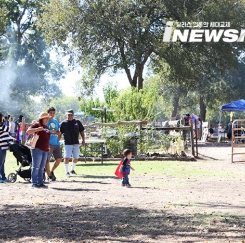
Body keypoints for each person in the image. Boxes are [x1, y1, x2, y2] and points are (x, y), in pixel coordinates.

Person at [27, 112, 50, 188]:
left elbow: (47, 138)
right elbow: (28, 131)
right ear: (41, 119)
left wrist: (48, 147)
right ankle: (34, 183)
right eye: (45, 118)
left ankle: (40, 182)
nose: (47, 119)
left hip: (45, 149)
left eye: (47, 118)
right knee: (36, 166)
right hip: (37, 148)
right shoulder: (37, 125)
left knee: (41, 167)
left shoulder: (46, 127)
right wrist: (37, 129)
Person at [60, 109, 85, 177]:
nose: (70, 116)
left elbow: (82, 131)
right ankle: (66, 171)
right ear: (66, 115)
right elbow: (60, 133)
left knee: (76, 157)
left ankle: (72, 169)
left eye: (71, 115)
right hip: (67, 143)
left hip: (76, 142)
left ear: (73, 115)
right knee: (66, 157)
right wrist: (57, 141)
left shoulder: (77, 122)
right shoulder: (63, 123)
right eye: (68, 115)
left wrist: (83, 140)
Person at [45, 107, 62, 181]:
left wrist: (58, 134)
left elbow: (59, 130)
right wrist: (53, 131)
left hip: (56, 143)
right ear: (48, 113)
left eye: (53, 113)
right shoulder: (46, 121)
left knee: (59, 158)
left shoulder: (56, 121)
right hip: (49, 143)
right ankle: (49, 175)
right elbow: (45, 130)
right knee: (47, 160)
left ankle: (51, 171)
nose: (52, 114)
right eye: (51, 113)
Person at [0, 113, 15, 183]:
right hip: (2, 147)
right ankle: (1, 177)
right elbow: (10, 129)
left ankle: (2, 177)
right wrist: (10, 121)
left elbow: (5, 135)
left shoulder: (2, 126)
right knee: (1, 163)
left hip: (3, 147)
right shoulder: (1, 126)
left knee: (2, 163)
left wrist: (11, 138)